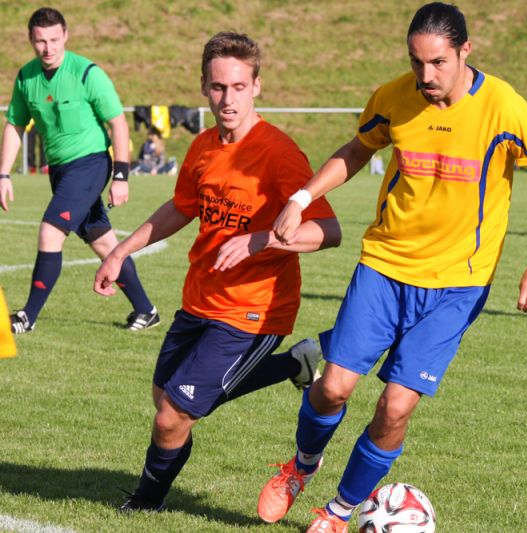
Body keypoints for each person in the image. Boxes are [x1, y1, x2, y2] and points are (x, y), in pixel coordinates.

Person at [257, 3, 527, 531]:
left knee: (395, 407)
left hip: (457, 285)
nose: (425, 75)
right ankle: (301, 465)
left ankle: (338, 513)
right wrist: (301, 197)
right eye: (416, 62)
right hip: (385, 266)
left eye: (437, 62)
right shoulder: (393, 97)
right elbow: (357, 150)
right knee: (334, 387)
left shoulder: (504, 108)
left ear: (465, 51)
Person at [93, 32, 342, 513]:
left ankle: (146, 503)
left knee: (172, 416)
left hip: (254, 311)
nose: (228, 99)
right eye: (218, 87)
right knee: (164, 399)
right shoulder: (204, 146)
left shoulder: (279, 152)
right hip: (200, 299)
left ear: (257, 87)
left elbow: (328, 230)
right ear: (204, 87)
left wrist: (260, 239)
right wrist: (120, 251)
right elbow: (181, 207)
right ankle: (295, 365)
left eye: (239, 87)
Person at [0, 7, 159, 334]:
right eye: (40, 41)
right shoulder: (26, 77)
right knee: (102, 241)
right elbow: (15, 125)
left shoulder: (87, 73)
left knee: (50, 230)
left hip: (91, 164)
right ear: (30, 40)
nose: (48, 48)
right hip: (60, 170)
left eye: (54, 40)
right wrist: (3, 174)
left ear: (66, 36)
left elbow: (118, 123)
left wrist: (121, 176)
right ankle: (147, 310)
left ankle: (28, 316)